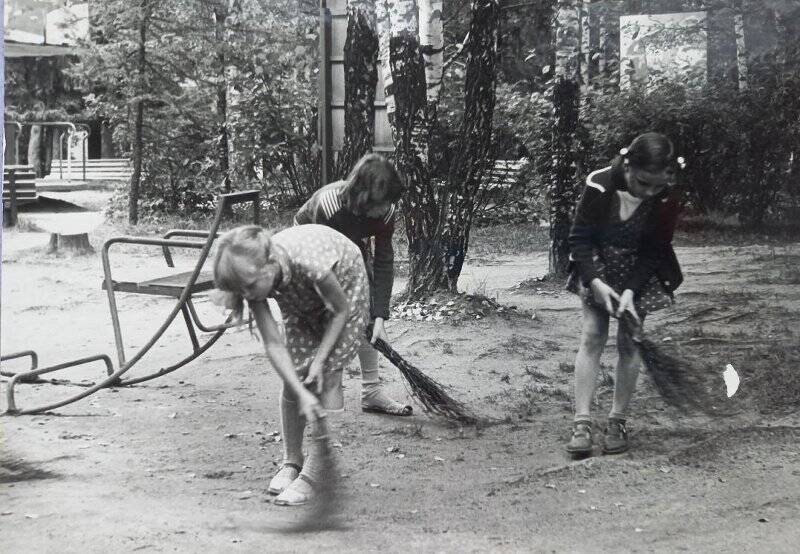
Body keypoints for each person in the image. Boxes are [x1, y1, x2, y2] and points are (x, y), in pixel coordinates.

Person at [213, 223, 370, 505]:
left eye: (249, 287)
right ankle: (291, 461)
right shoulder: (254, 284)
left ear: (270, 264)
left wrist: (320, 359)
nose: (247, 296)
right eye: (242, 290)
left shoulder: (309, 262)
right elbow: (273, 343)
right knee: (294, 376)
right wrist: (299, 390)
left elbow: (340, 310)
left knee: (327, 376)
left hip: (344, 285)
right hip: (297, 291)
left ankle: (315, 472)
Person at [565, 132, 684, 457]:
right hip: (598, 267)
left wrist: (631, 291)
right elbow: (579, 239)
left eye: (656, 186)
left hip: (637, 272)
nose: (648, 192)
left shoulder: (665, 197)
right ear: (628, 166)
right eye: (643, 182)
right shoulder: (600, 184)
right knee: (592, 336)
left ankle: (617, 420)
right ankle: (582, 421)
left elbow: (655, 250)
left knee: (629, 343)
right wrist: (596, 283)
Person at [294, 153, 412, 416]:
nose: (386, 210)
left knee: (366, 313)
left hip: (350, 246)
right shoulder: (328, 205)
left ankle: (372, 393)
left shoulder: (386, 211)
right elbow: (323, 260)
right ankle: (316, 389)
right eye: (381, 204)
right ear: (361, 196)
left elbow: (383, 261)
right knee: (327, 317)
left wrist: (379, 315)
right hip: (310, 246)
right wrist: (344, 308)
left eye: (389, 204)